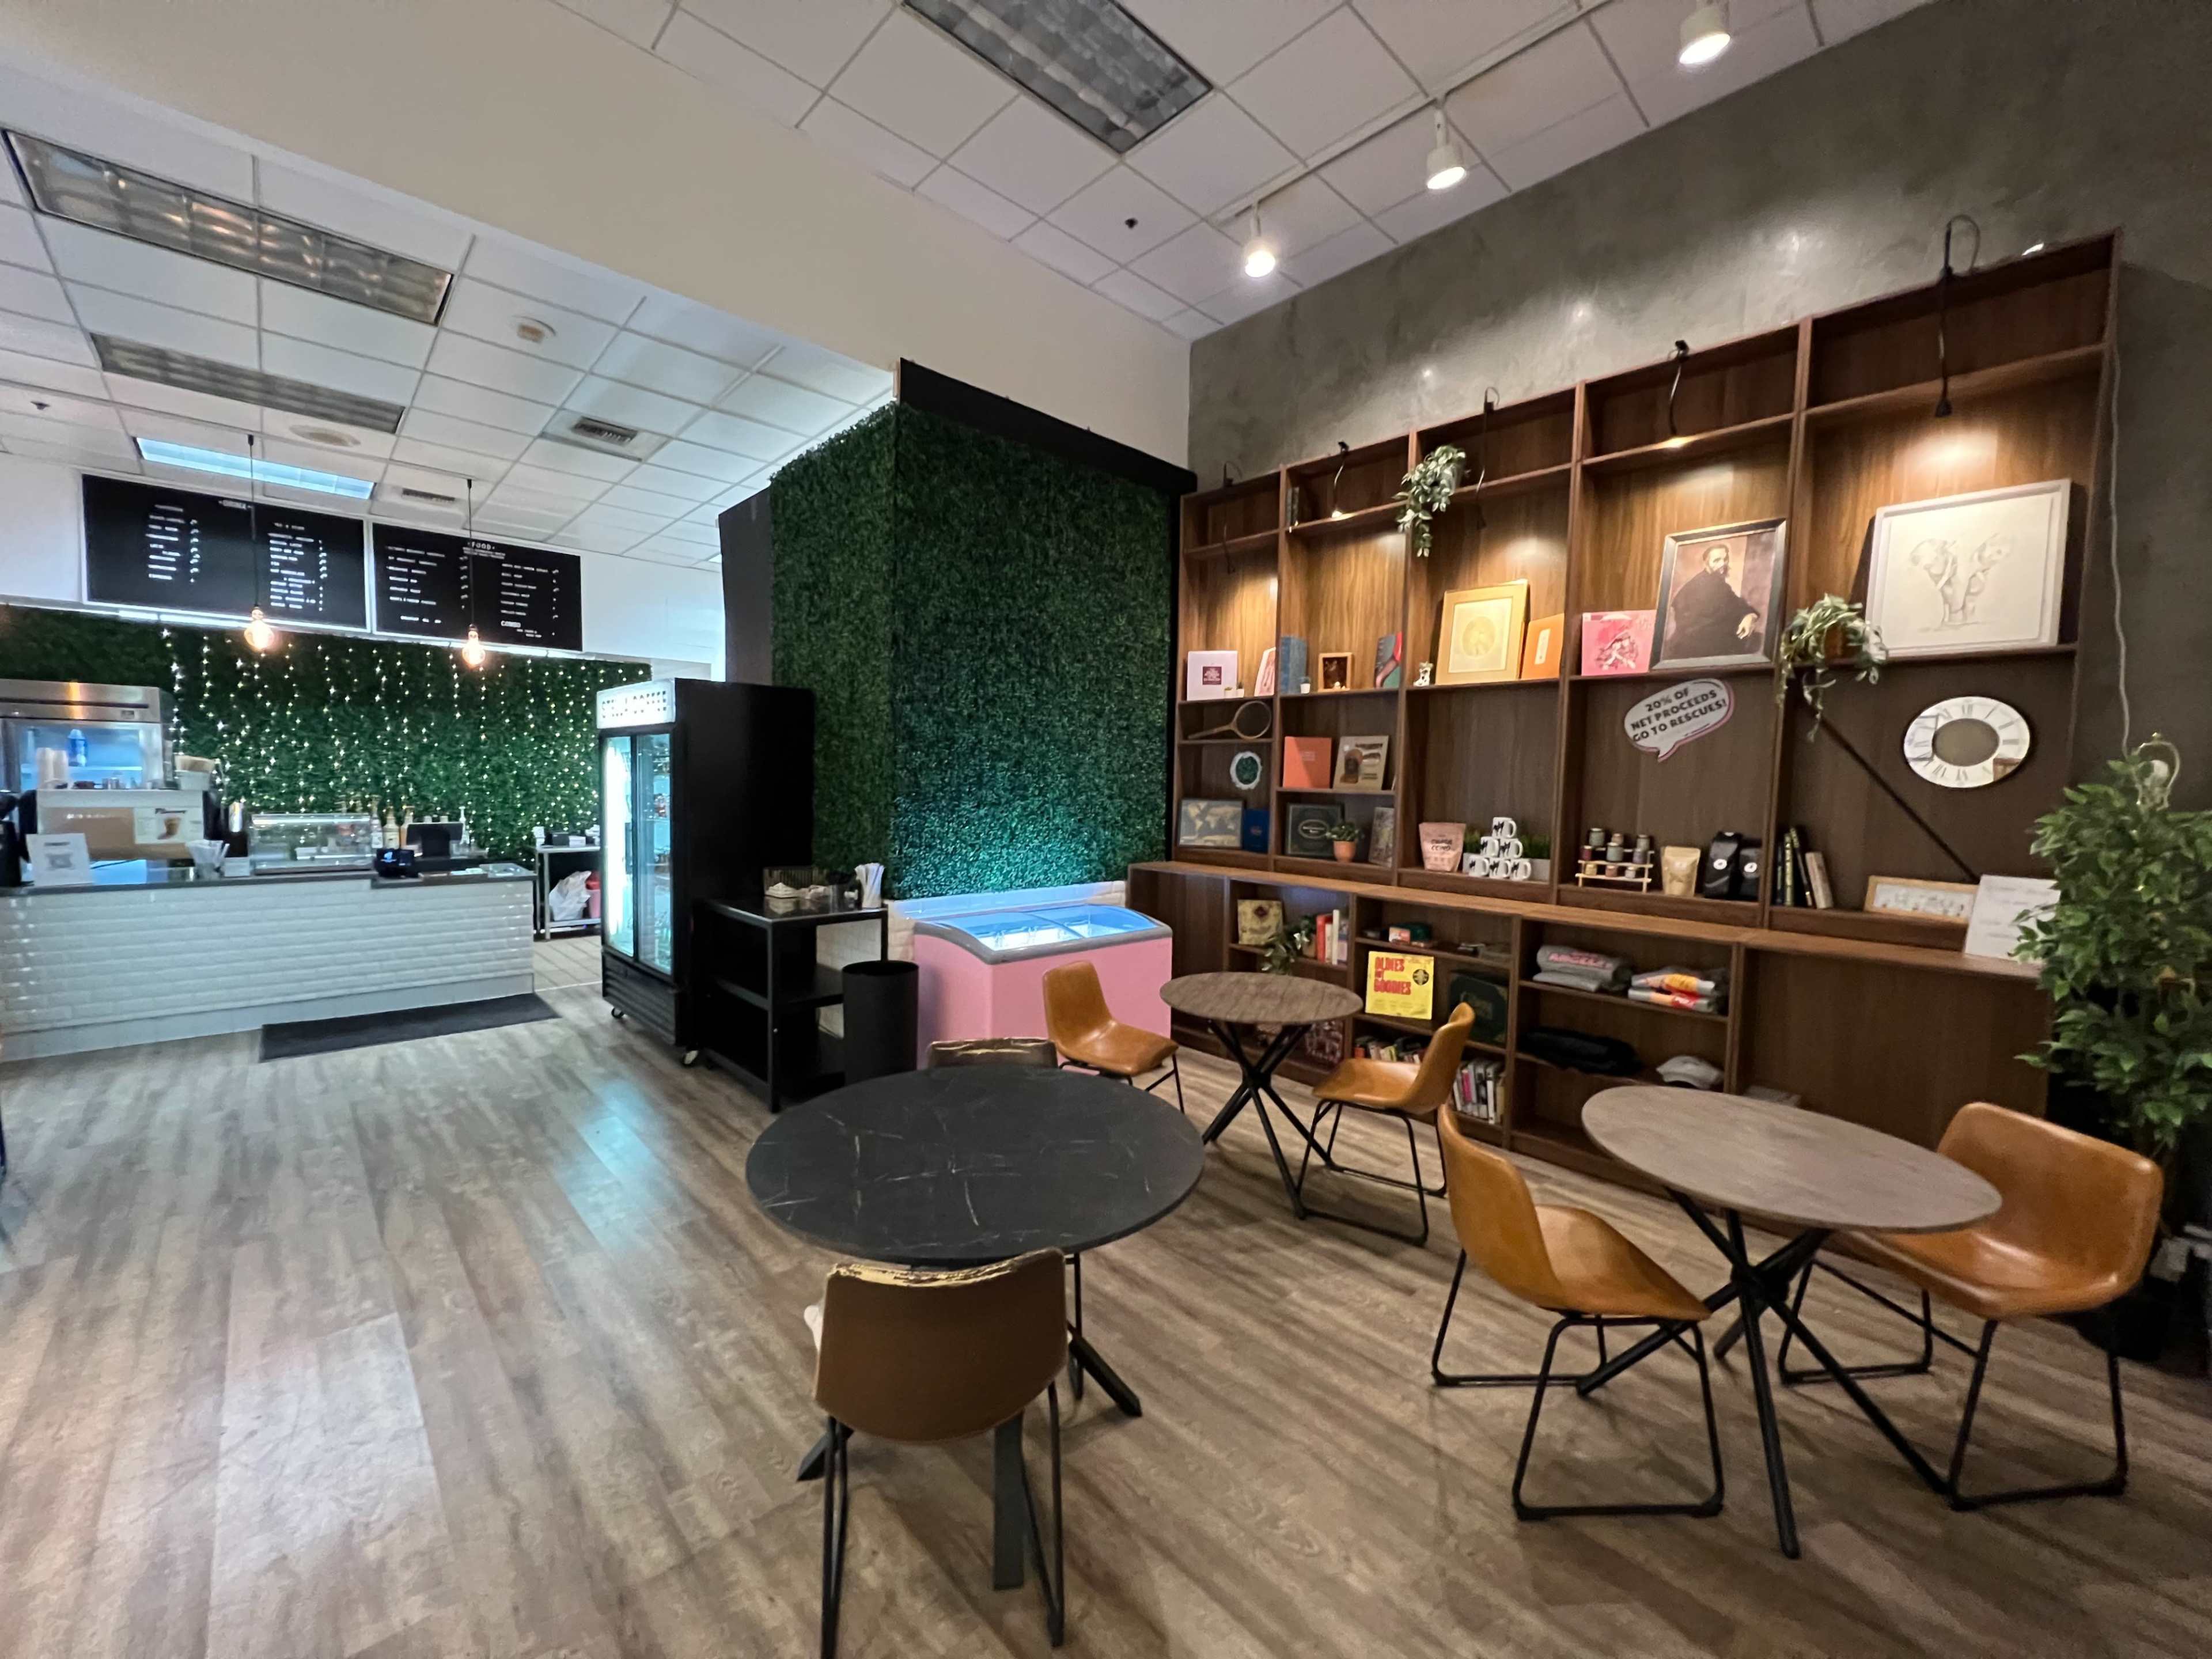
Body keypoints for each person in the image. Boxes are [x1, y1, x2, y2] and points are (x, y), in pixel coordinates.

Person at [1665, 543, 1761, 659]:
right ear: (1706, 563)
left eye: (1725, 559)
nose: (1722, 564)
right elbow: (1694, 627)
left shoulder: (1719, 584)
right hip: (1694, 649)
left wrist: (1749, 615)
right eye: (1717, 560)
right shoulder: (1699, 585)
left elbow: (1736, 603)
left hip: (1712, 643)